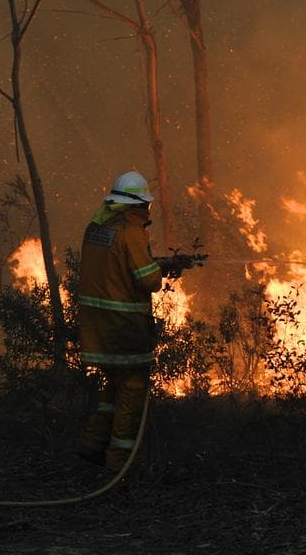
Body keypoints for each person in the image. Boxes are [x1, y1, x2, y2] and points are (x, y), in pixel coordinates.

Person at [75, 170, 178, 472]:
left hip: (98, 327)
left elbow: (115, 267)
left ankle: (93, 445)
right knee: (132, 392)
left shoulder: (97, 226)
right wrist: (158, 270)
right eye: (145, 204)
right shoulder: (131, 231)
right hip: (123, 326)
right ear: (135, 205)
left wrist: (157, 262)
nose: (147, 210)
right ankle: (117, 467)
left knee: (112, 388)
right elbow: (149, 282)